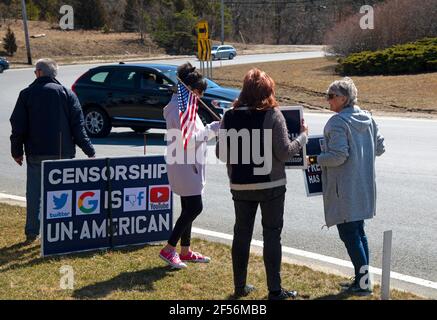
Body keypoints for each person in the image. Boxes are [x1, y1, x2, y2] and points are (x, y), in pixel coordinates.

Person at [216, 68, 308, 300]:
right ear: (268, 90)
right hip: (271, 185)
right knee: (272, 235)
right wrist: (303, 137)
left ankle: (239, 287)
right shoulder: (273, 114)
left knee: (241, 234)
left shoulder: (229, 115)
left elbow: (221, 154)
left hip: (240, 185)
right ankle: (275, 290)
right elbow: (285, 152)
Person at [10, 58, 96, 243]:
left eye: (35, 71)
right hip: (62, 154)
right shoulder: (67, 94)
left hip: (36, 154)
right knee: (62, 195)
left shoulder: (26, 94)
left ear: (40, 72)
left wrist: (16, 151)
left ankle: (32, 233)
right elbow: (78, 127)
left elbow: (18, 126)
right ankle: (60, 233)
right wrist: (89, 149)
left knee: (35, 195)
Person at [317, 77, 385, 295]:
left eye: (331, 96)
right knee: (358, 232)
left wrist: (315, 158)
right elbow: (380, 147)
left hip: (343, 188)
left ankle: (363, 284)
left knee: (349, 234)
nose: (327, 101)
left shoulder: (337, 122)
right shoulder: (368, 118)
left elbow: (338, 156)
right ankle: (362, 280)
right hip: (363, 185)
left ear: (344, 98)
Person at [160, 62, 220, 269]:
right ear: (191, 90)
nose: (201, 97)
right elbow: (190, 140)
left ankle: (185, 251)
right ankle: (169, 249)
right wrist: (214, 128)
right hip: (184, 164)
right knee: (195, 207)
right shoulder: (179, 109)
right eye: (200, 92)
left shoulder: (184, 107)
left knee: (188, 207)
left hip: (188, 164)